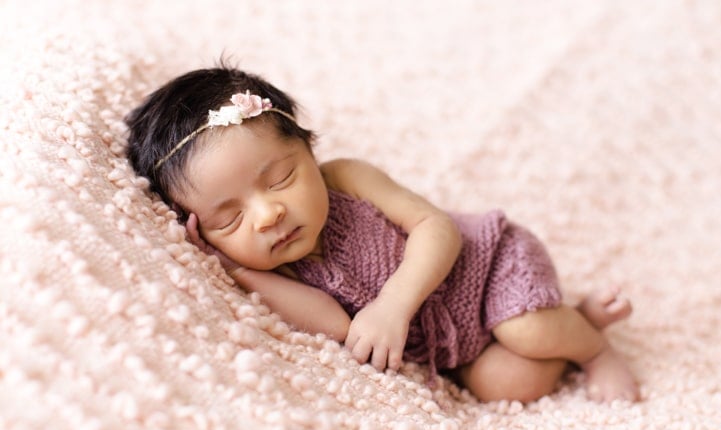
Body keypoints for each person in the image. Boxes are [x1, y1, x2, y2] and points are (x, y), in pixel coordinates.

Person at [126, 65, 639, 403]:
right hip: (464, 346)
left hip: (492, 265)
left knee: (526, 330)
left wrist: (393, 307)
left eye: (280, 178)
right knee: (506, 385)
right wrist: (236, 270)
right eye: (228, 219)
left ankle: (593, 347)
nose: (267, 216)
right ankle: (572, 315)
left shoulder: (347, 179)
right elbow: (333, 324)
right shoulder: (270, 264)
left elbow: (437, 228)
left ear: (311, 152)